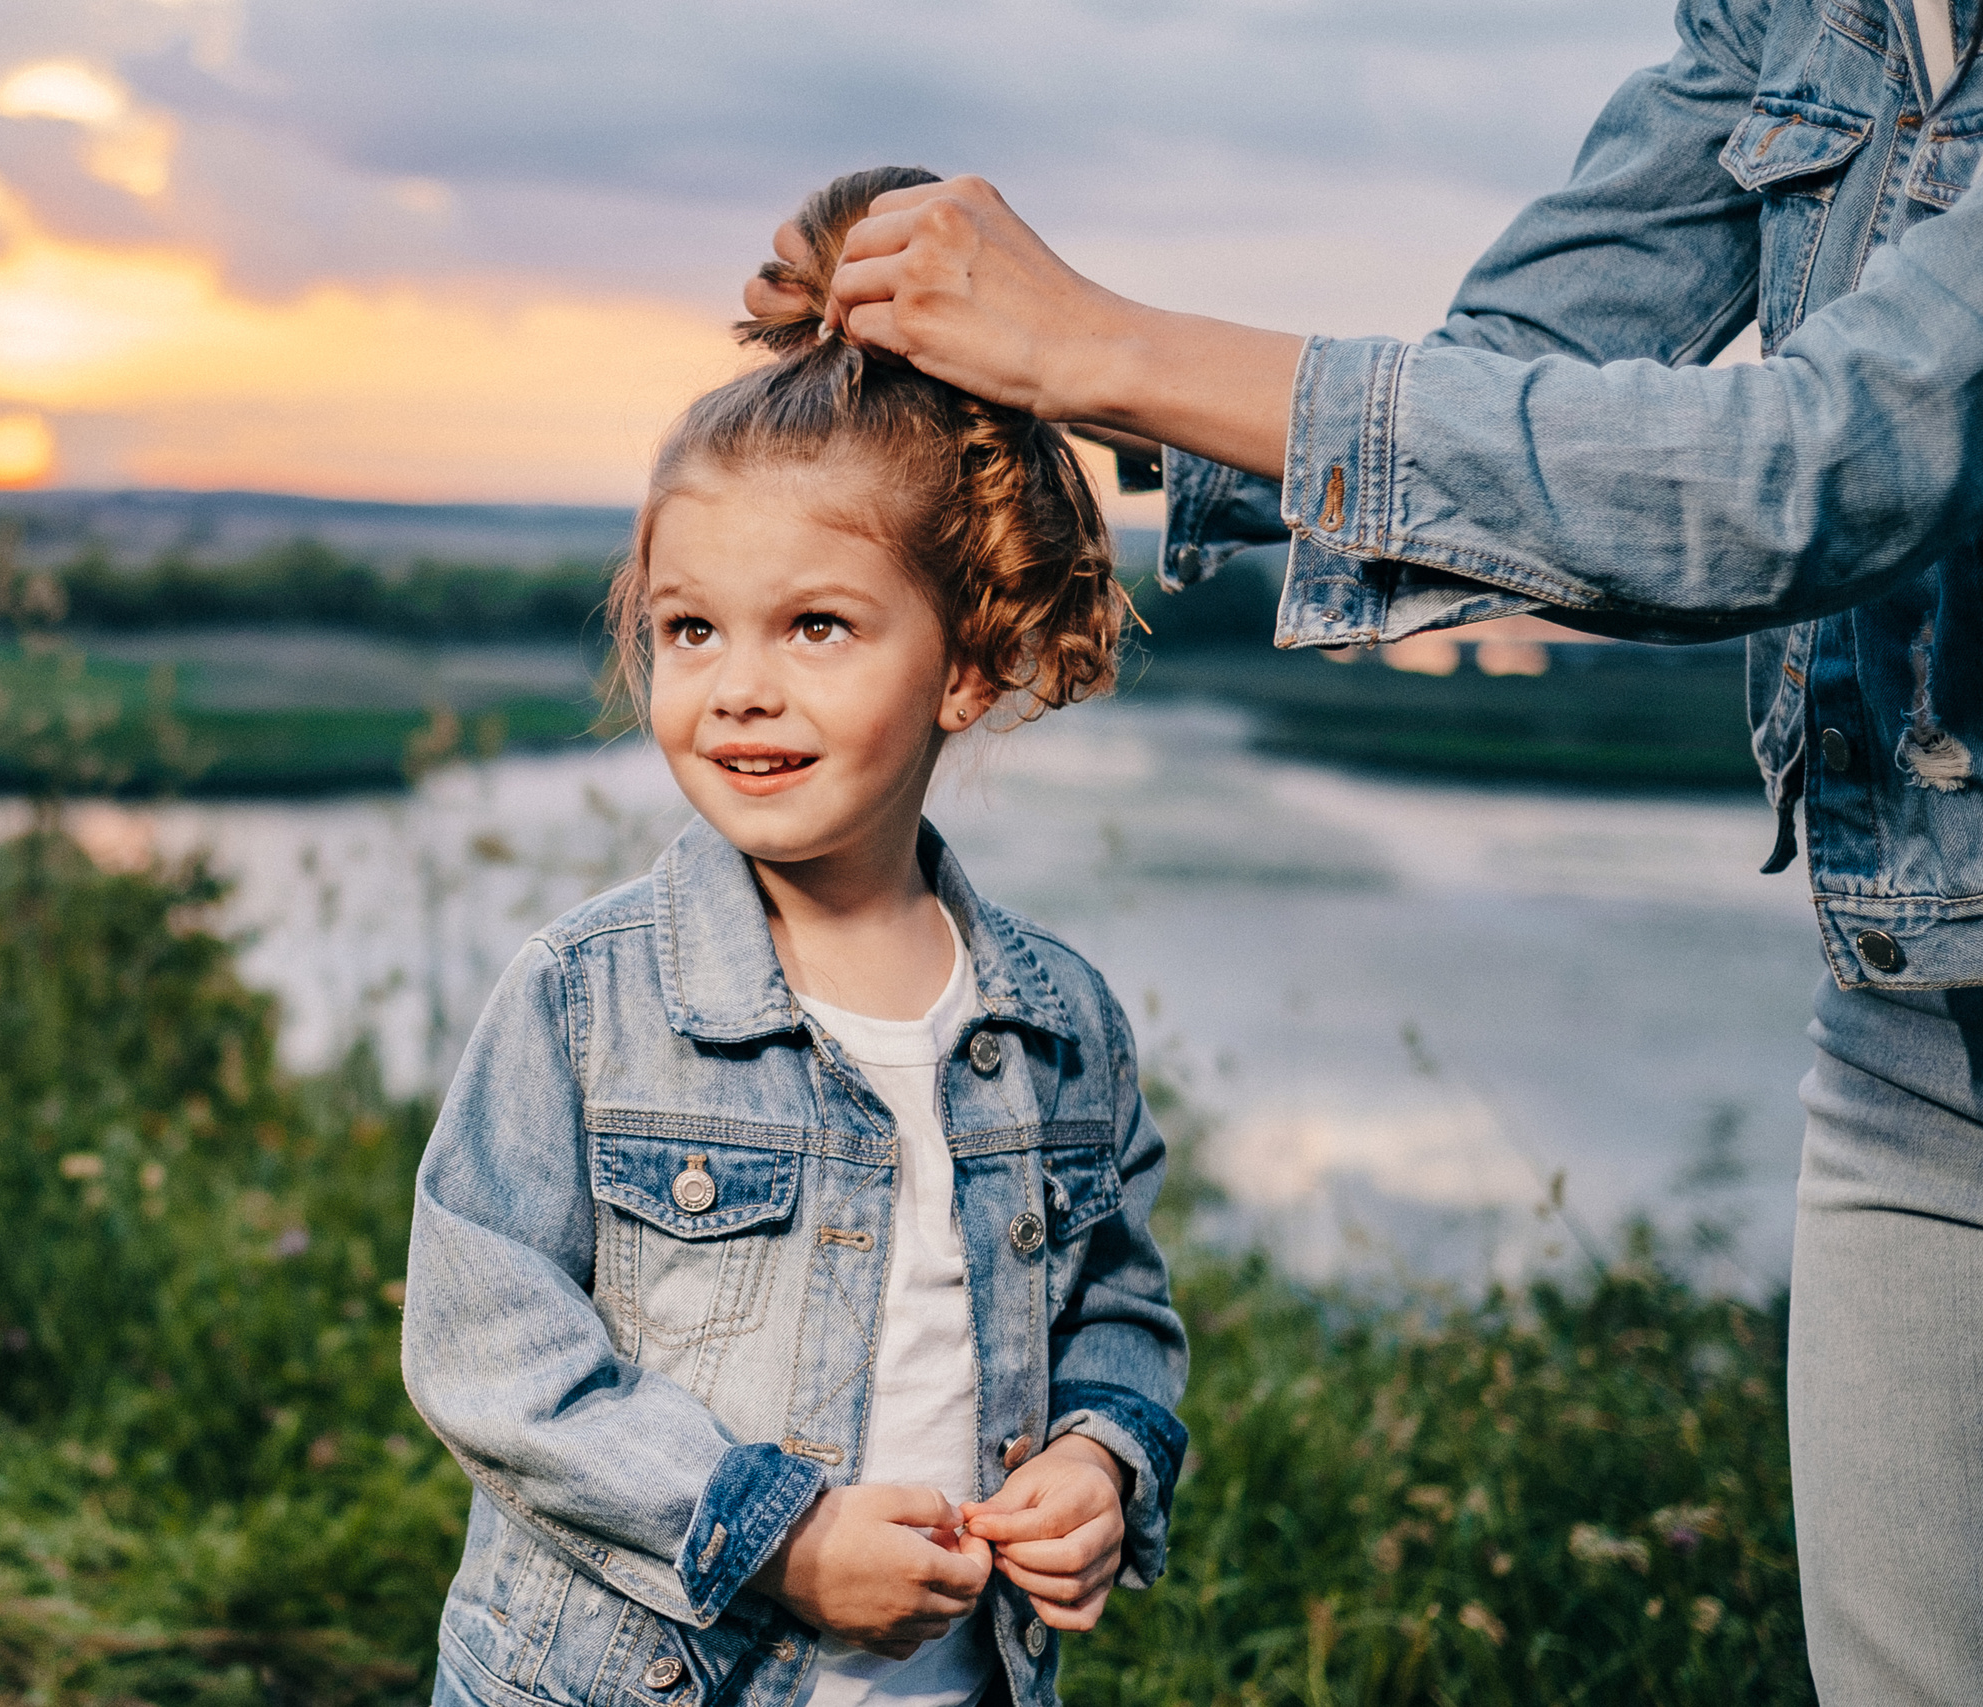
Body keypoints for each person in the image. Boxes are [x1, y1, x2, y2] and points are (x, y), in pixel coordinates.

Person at [741, 4, 1983, 1701]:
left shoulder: (1056, 1022)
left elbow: (1812, 471)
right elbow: (1505, 385)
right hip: (1912, 1034)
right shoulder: (1791, 19)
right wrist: (1018, 364)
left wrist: (1087, 342)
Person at [402, 167, 1190, 1707]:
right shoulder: (588, 1001)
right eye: (692, 629)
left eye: (814, 627)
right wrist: (767, 1537)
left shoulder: (1061, 1024)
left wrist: (1106, 1462)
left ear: (972, 667)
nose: (737, 688)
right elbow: (486, 1344)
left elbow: (1121, 1309)